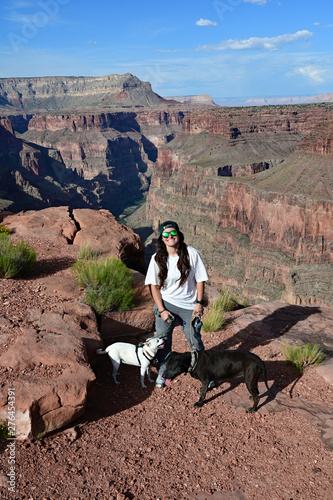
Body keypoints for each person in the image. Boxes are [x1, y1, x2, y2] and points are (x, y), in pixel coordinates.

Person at [145, 220, 209, 388]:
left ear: (179, 234)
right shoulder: (157, 258)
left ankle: (204, 372)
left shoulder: (191, 253)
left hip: (190, 306)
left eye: (173, 233)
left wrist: (199, 303)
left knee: (194, 340)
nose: (170, 236)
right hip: (166, 304)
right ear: (161, 238)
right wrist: (162, 310)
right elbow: (154, 286)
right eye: (165, 234)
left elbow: (200, 279)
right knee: (162, 341)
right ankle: (163, 371)